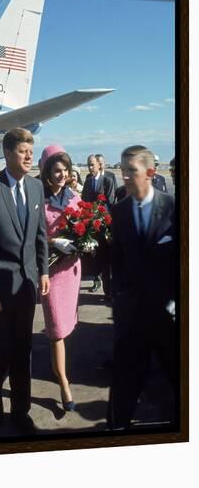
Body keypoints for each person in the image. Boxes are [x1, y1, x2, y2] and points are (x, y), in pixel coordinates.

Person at [0, 127, 49, 434]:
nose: (29, 155)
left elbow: (41, 234)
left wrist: (42, 270)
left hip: (27, 284)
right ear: (7, 154)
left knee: (23, 348)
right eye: (22, 151)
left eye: (31, 150)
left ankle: (21, 409)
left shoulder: (36, 187)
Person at [107, 146, 176, 429]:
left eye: (131, 170)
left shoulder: (173, 207)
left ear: (150, 173)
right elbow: (118, 262)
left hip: (168, 319)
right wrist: (119, 303)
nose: (124, 176)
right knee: (124, 384)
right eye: (122, 170)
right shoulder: (119, 212)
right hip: (131, 317)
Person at [40, 148, 81, 411]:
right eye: (57, 170)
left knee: (66, 325)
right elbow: (30, 236)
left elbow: (86, 225)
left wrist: (85, 241)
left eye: (65, 170)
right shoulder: (38, 200)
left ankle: (59, 367)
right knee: (56, 328)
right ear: (46, 172)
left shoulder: (74, 197)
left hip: (71, 269)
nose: (62, 174)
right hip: (52, 271)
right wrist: (53, 241)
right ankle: (64, 382)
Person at [82, 154, 115, 297]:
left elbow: (111, 202)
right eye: (88, 165)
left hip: (104, 226)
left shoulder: (107, 180)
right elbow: (84, 200)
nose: (90, 168)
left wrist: (99, 215)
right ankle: (96, 281)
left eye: (92, 165)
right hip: (92, 226)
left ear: (99, 165)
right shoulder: (88, 181)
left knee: (106, 259)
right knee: (95, 257)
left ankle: (108, 292)